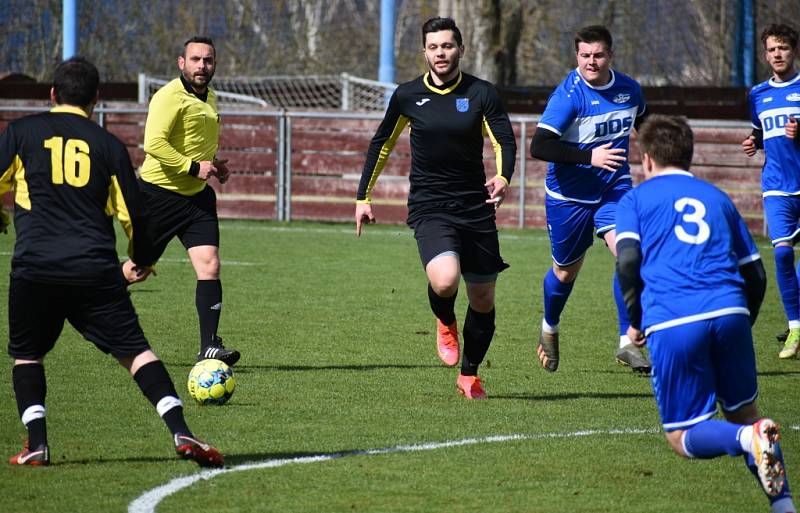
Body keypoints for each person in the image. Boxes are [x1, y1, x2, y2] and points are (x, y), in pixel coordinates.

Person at [0, 57, 223, 467]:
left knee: (28, 355)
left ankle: (37, 444)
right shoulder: (107, 146)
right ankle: (181, 431)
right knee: (136, 353)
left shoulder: (20, 133)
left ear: (52, 95)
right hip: (94, 269)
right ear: (96, 100)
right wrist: (139, 257)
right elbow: (133, 213)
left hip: (36, 267)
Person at [617, 115, 794, 512]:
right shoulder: (717, 198)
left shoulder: (635, 199)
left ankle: (746, 442)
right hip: (731, 311)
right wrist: (741, 322)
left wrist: (635, 319)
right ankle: (784, 506)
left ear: (645, 160)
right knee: (748, 416)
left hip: (675, 319)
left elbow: (627, 261)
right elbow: (756, 273)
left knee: (682, 436)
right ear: (689, 154)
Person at [355, 17, 516, 399]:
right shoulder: (408, 95)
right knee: (445, 280)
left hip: (475, 207)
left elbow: (503, 142)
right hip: (431, 206)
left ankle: (470, 375)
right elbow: (382, 144)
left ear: (460, 49)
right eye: (433, 47)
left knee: (483, 298)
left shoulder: (482, 93)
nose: (440, 53)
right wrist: (364, 197)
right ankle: (445, 319)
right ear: (424, 52)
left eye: (447, 46)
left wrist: (503, 177)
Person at [530, 25, 651, 374]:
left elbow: (645, 123)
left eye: (598, 55)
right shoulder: (569, 96)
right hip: (569, 197)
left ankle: (627, 342)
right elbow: (540, 146)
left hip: (615, 189)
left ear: (610, 55)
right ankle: (549, 326)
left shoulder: (629, 89)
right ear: (577, 56)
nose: (591, 62)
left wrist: (656, 159)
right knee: (565, 273)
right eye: (585, 56)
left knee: (630, 255)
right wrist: (589, 157)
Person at [122, 36, 239, 365]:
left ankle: (209, 346)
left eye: (208, 60)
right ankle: (93, 302)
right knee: (137, 270)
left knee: (210, 266)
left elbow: (194, 142)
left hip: (196, 200)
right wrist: (191, 167)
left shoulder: (211, 97)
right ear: (182, 63)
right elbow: (153, 143)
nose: (203, 66)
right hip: (158, 197)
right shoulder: (168, 97)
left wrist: (212, 165)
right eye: (196, 59)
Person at [742, 23, 800, 359]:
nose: (777, 54)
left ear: (793, 51)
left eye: (783, 48)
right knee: (781, 253)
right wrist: (754, 142)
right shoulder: (757, 94)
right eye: (771, 49)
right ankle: (794, 328)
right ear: (765, 54)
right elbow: (760, 130)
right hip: (776, 186)